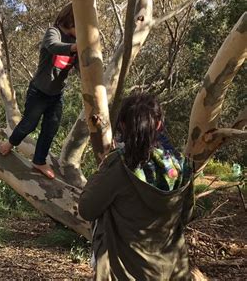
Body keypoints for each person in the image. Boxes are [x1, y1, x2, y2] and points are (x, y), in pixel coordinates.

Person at [78, 93, 194, 280]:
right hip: (172, 270)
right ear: (158, 125)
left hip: (125, 271)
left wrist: (101, 170)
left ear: (123, 125)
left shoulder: (118, 165)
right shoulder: (181, 165)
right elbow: (186, 215)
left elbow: (87, 209)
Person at [0, 3, 78, 179]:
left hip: (57, 95)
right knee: (29, 123)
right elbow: (52, 46)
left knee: (51, 128)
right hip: (39, 92)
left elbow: (81, 68)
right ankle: (11, 143)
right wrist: (73, 48)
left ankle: (39, 161)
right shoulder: (54, 32)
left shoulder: (77, 44)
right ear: (71, 21)